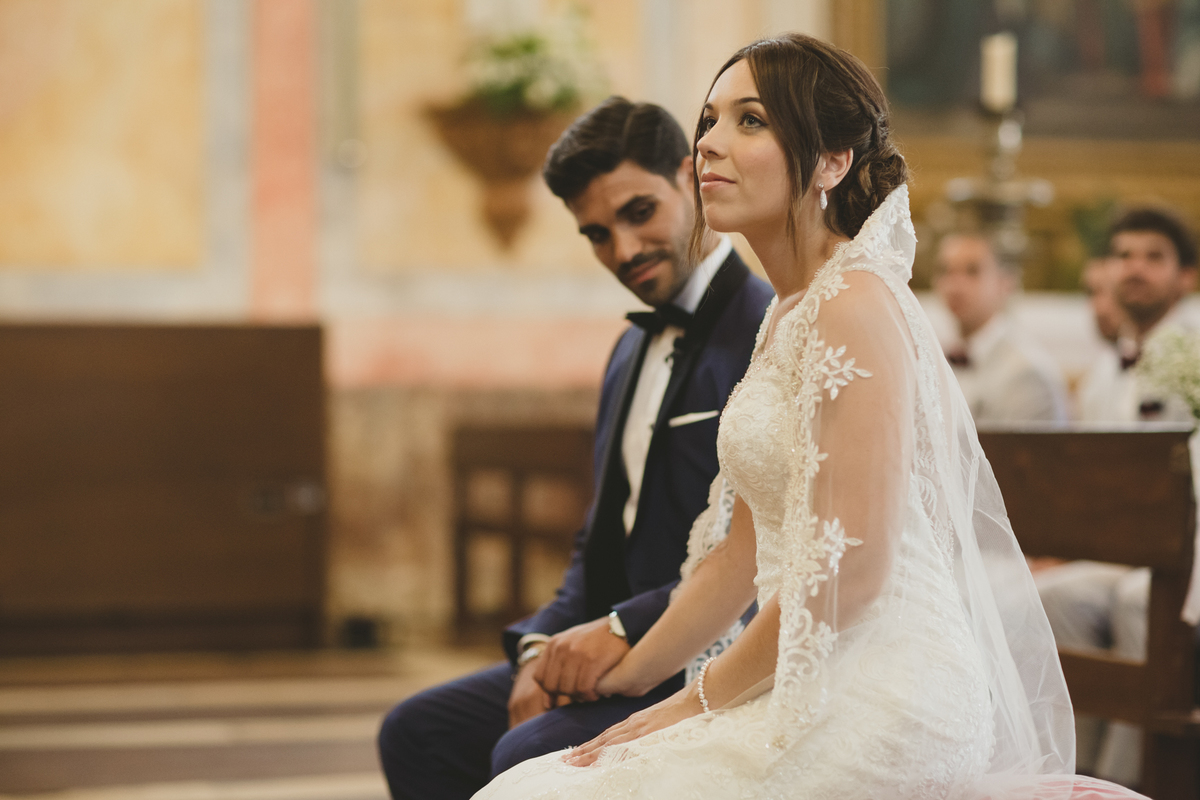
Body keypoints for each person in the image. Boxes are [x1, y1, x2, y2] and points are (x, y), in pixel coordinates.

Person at [476, 33, 1143, 800]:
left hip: (883, 691)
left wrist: (691, 703)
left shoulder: (853, 303)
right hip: (808, 667)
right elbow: (739, 555)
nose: (708, 144)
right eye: (709, 120)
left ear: (831, 162)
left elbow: (849, 571)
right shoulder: (789, 313)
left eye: (751, 120)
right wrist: (632, 677)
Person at [376, 97, 773, 800]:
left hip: (705, 653)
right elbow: (600, 539)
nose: (623, 250)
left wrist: (619, 630)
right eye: (596, 234)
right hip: (602, 644)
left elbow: (765, 548)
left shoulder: (767, 330)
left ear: (689, 178)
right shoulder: (628, 350)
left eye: (639, 213)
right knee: (417, 730)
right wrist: (541, 648)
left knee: (526, 752)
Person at [1037, 207, 1199, 788]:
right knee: (1054, 598)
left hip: (1189, 557)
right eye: (1125, 255)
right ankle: (1078, 775)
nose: (1135, 268)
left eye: (1154, 257)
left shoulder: (1195, 352)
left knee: (1138, 603)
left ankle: (1136, 783)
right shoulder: (1107, 370)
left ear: (1186, 277)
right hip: (1128, 553)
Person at [934, 231, 1068, 424]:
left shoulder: (1027, 373)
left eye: (972, 271)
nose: (955, 284)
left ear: (1006, 283)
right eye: (945, 271)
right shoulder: (935, 355)